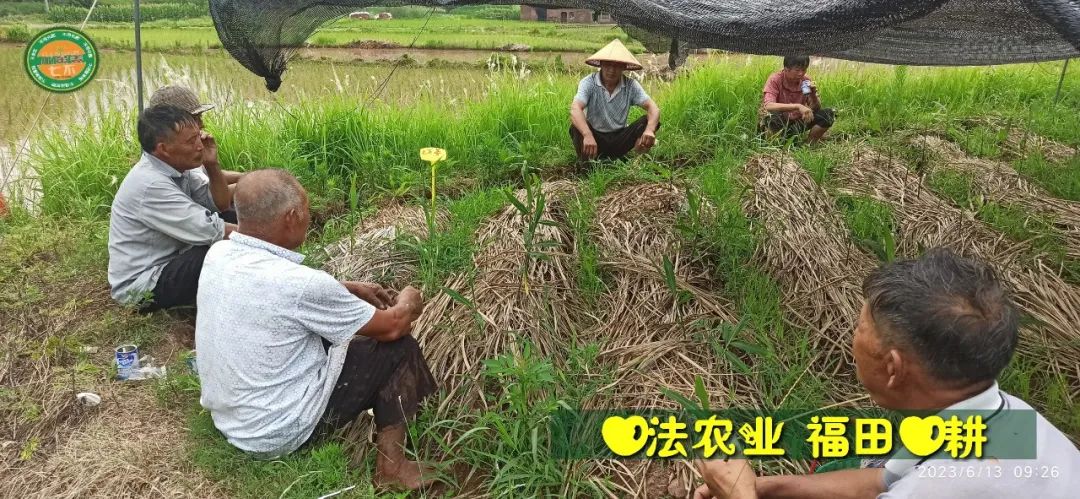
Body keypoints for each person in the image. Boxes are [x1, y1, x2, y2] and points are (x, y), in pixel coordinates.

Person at [694, 248, 1080, 498]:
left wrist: (737, 495)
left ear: (893, 367)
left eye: (861, 329)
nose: (852, 338)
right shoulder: (1004, 417)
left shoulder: (939, 489)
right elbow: (881, 481)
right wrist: (763, 488)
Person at [195, 169, 438, 490]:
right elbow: (393, 327)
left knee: (339, 333)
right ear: (292, 217)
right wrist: (409, 298)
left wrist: (346, 288)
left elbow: (274, 293)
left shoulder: (219, 253)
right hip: (277, 431)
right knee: (397, 349)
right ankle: (391, 468)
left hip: (233, 420)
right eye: (307, 211)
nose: (309, 218)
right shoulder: (303, 286)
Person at [108, 105, 236, 311]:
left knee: (235, 218)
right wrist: (266, 236)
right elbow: (213, 231)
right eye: (190, 141)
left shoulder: (178, 167)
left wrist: (212, 165)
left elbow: (219, 204)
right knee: (224, 248)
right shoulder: (150, 184)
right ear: (163, 149)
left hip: (175, 257)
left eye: (198, 136)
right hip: (144, 285)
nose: (200, 146)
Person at [570, 39, 661, 163]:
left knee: (647, 121)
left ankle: (635, 153)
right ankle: (587, 163)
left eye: (617, 65)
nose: (612, 70)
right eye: (608, 64)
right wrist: (587, 135)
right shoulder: (589, 83)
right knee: (576, 126)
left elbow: (653, 108)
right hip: (595, 138)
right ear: (601, 64)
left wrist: (649, 130)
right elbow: (575, 108)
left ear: (624, 67)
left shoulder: (630, 85)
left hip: (619, 138)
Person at [148, 84, 245, 186]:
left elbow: (206, 177)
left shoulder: (182, 157)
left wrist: (250, 177)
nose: (202, 125)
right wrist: (254, 183)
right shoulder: (156, 184)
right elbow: (215, 198)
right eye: (195, 119)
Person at [760, 56, 835, 144]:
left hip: (798, 123)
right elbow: (769, 105)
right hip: (781, 123)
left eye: (804, 70)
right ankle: (777, 143)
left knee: (828, 114)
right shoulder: (775, 79)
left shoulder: (805, 81)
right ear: (786, 69)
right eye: (797, 70)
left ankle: (808, 145)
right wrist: (797, 106)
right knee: (772, 116)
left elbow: (816, 108)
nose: (801, 73)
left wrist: (813, 94)